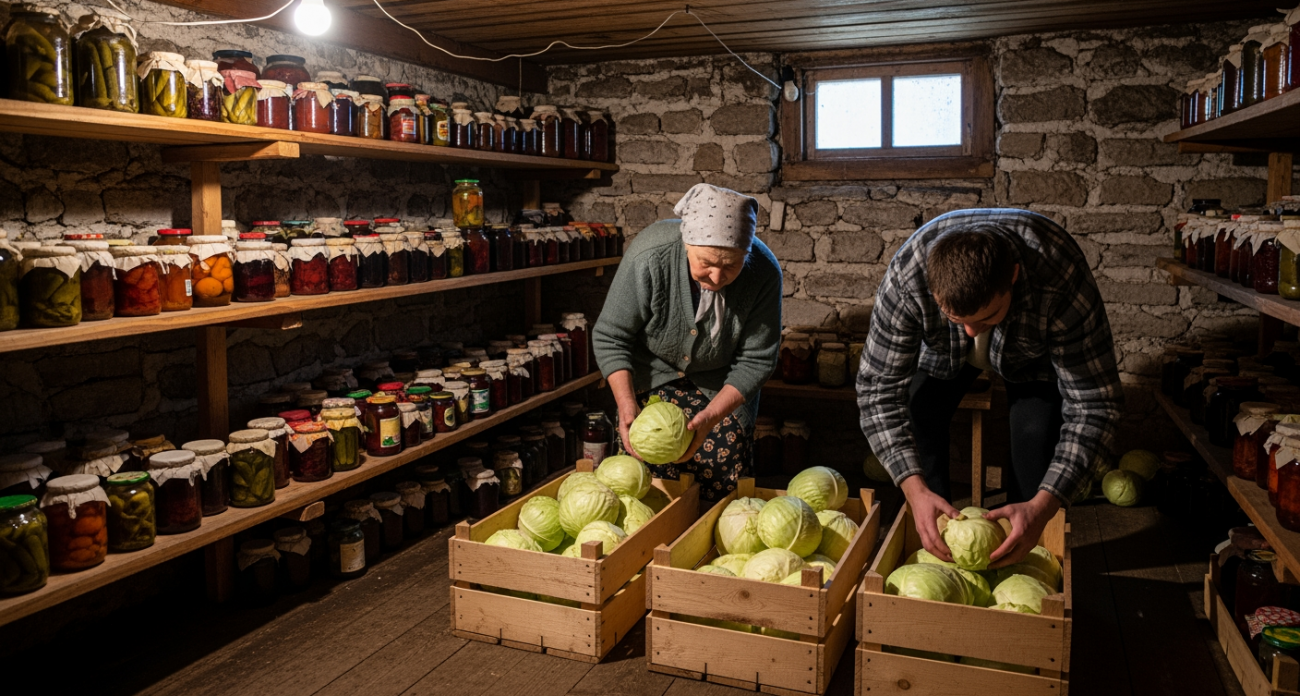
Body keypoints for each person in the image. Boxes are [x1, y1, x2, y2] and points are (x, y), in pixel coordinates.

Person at [857, 208, 1122, 567]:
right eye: (957, 319)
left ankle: (1022, 552)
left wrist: (1043, 505)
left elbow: (1095, 405)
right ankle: (936, 542)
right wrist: (913, 488)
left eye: (987, 317)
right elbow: (878, 391)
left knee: (1034, 444)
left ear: (1012, 277)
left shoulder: (1060, 278)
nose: (971, 331)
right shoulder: (907, 277)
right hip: (940, 354)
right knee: (919, 416)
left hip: (1032, 356)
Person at [593, 184, 783, 501]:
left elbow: (757, 360)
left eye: (732, 265)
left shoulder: (764, 272)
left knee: (720, 491)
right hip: (651, 376)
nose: (718, 277)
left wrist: (709, 418)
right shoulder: (649, 257)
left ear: (747, 255)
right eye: (706, 262)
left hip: (721, 388)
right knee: (643, 488)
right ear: (686, 244)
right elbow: (612, 336)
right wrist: (627, 405)